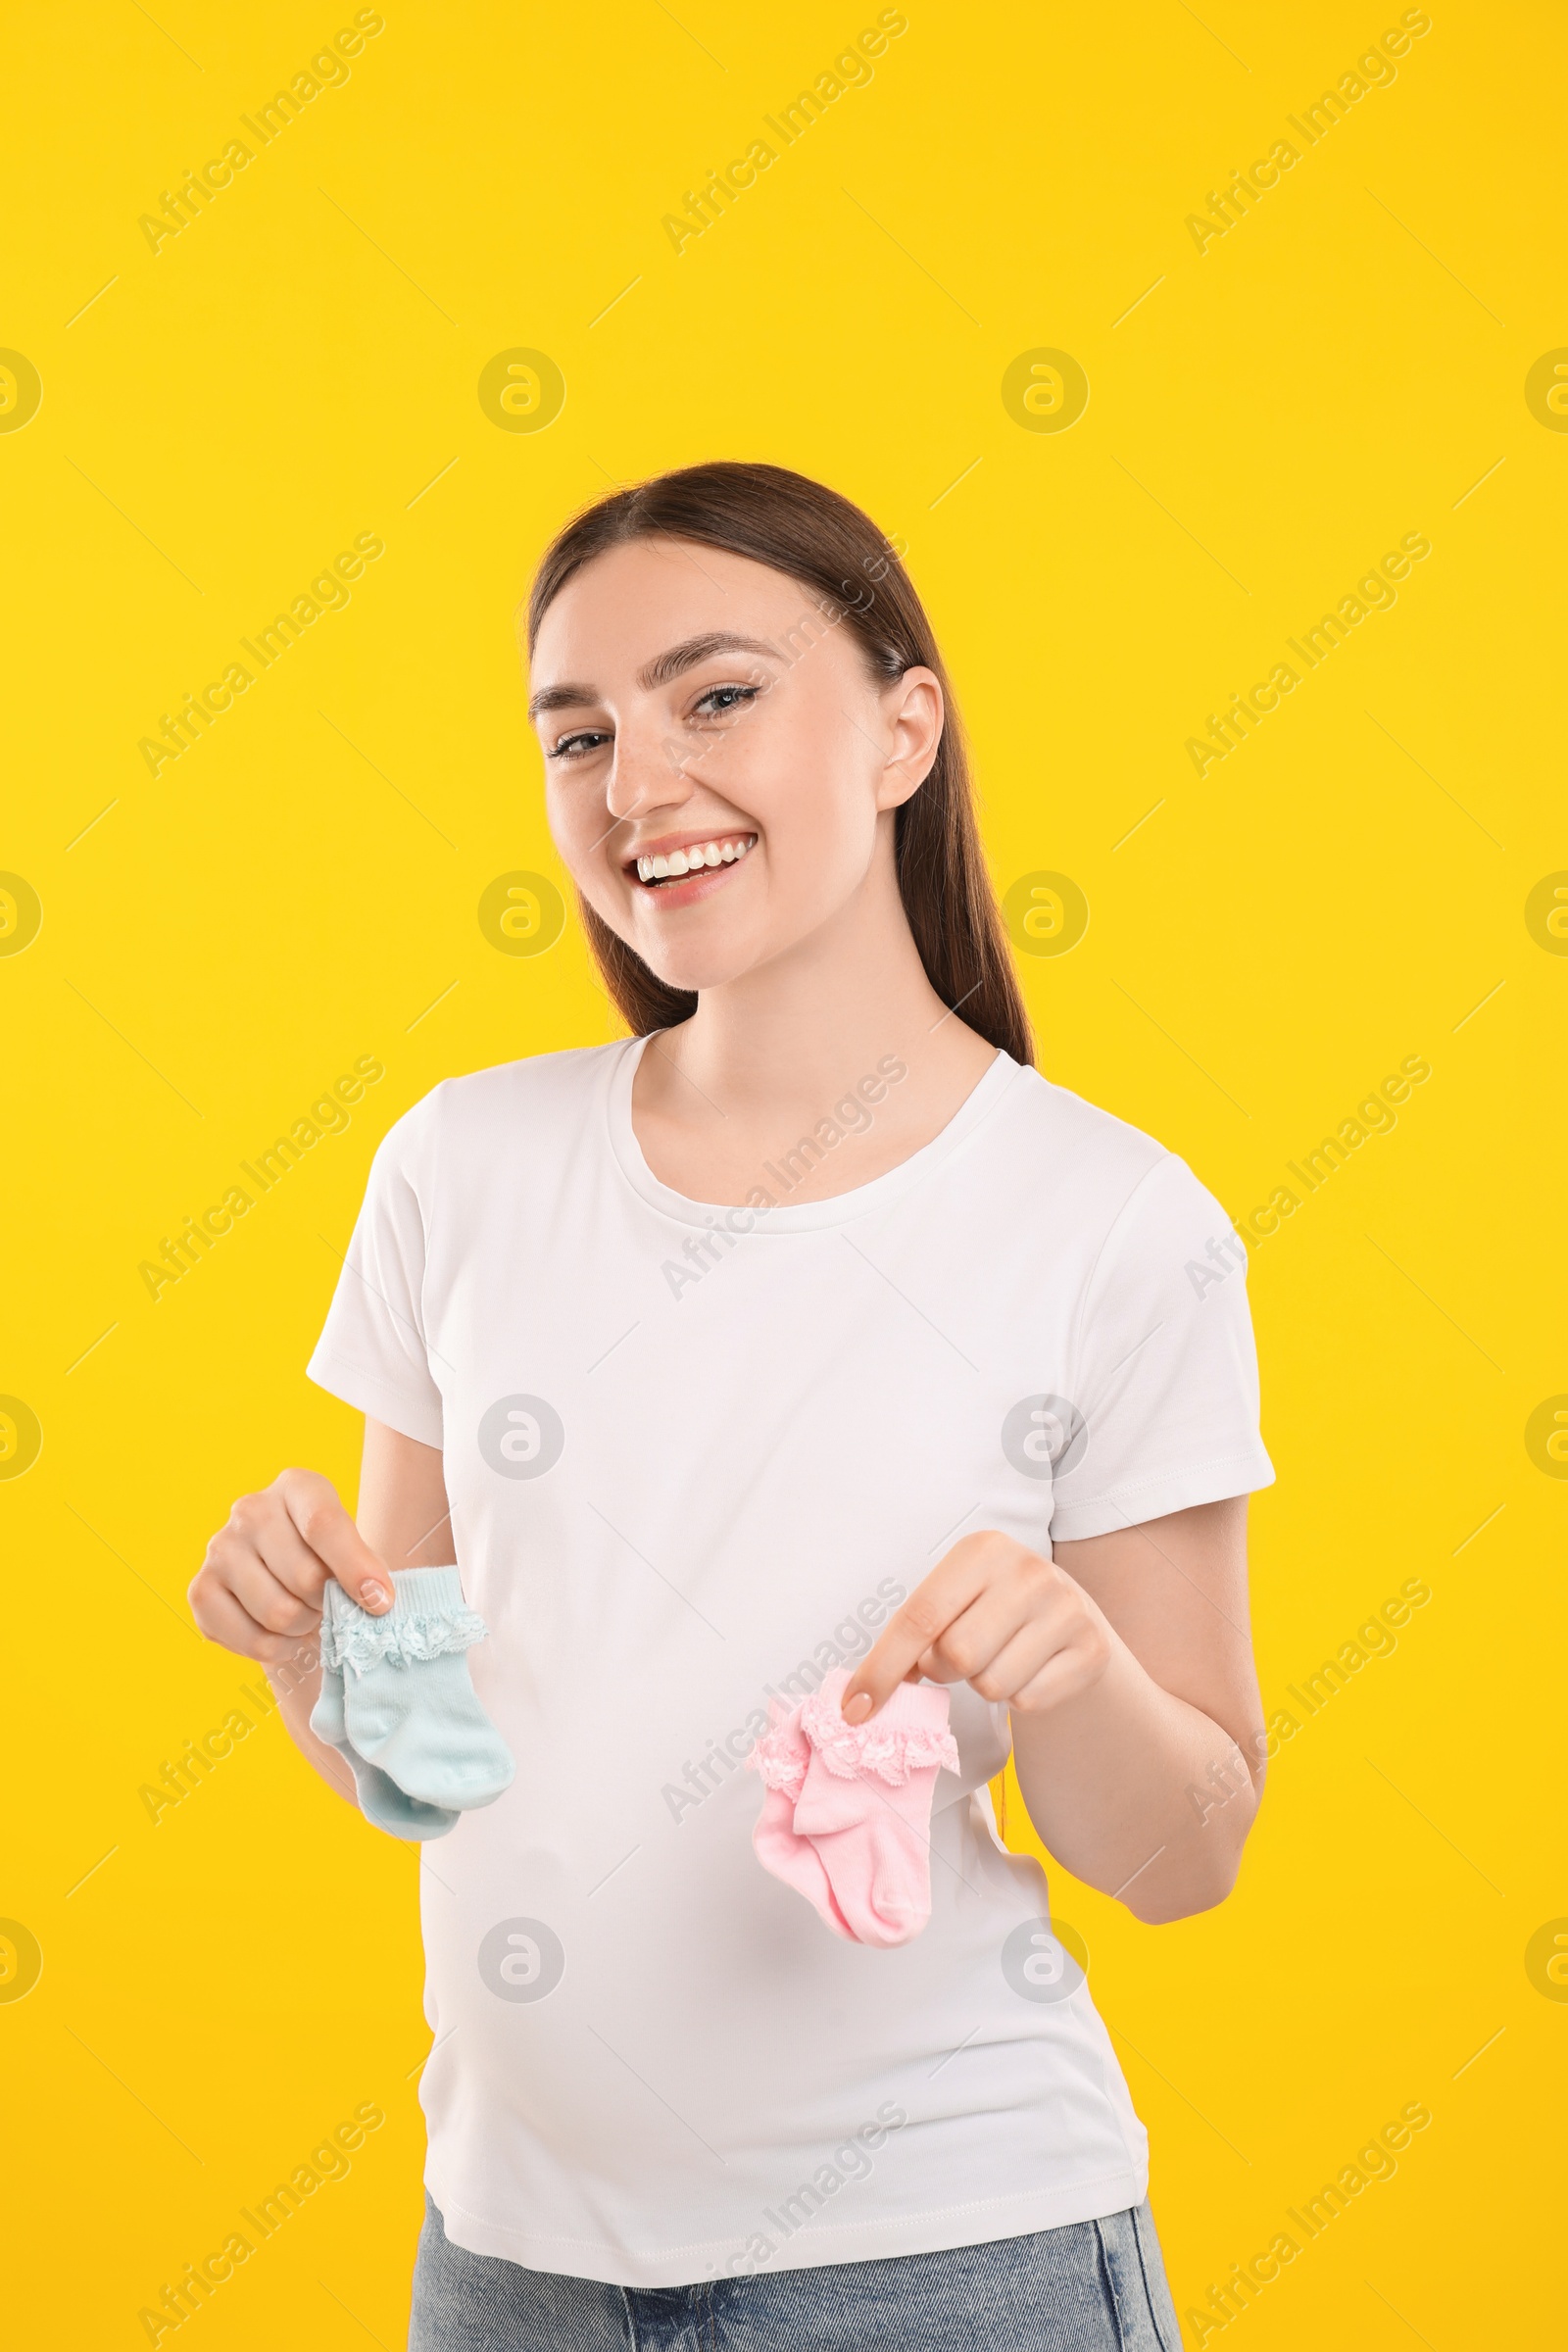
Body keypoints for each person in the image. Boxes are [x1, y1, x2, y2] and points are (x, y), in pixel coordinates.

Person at [190, 461, 1274, 2350]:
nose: (638, 786)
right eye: (579, 733)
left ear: (899, 729)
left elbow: (1185, 1859)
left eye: (717, 697)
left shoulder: (1113, 1224)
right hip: (509, 2266)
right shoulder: (463, 1169)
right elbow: (430, 1766)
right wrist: (313, 1658)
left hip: (948, 2266)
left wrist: (1077, 1674)